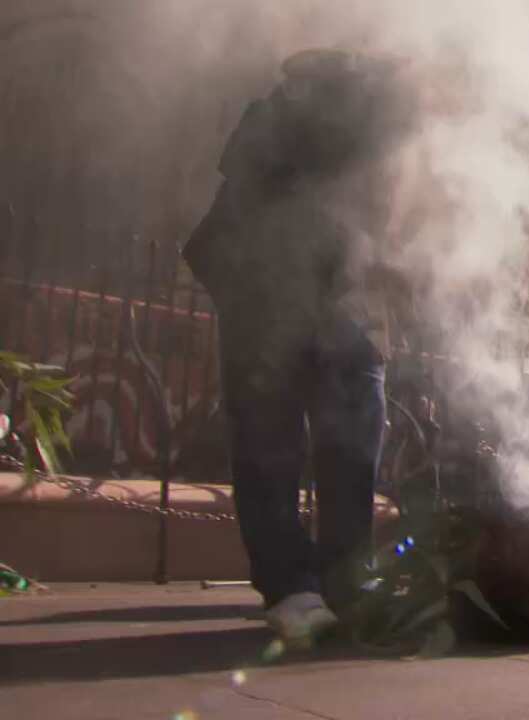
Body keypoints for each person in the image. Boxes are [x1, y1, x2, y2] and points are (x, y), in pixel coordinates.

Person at [184, 49, 419, 646]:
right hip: (307, 315)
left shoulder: (305, 133)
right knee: (311, 453)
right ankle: (318, 586)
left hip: (312, 314)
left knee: (302, 452)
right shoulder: (323, 141)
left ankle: (313, 587)